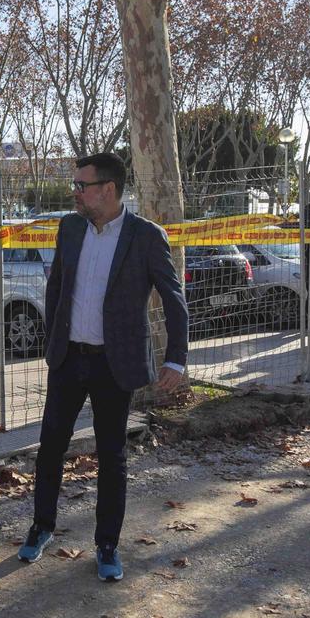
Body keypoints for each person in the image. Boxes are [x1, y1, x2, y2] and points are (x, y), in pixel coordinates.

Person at [21, 153, 188, 582]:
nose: (74, 192)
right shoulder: (70, 227)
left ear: (107, 189)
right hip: (68, 359)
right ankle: (41, 527)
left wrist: (176, 358)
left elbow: (173, 298)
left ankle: (107, 545)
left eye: (81, 185)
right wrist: (51, 342)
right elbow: (58, 285)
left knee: (112, 456)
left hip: (115, 365)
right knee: (51, 447)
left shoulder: (146, 236)